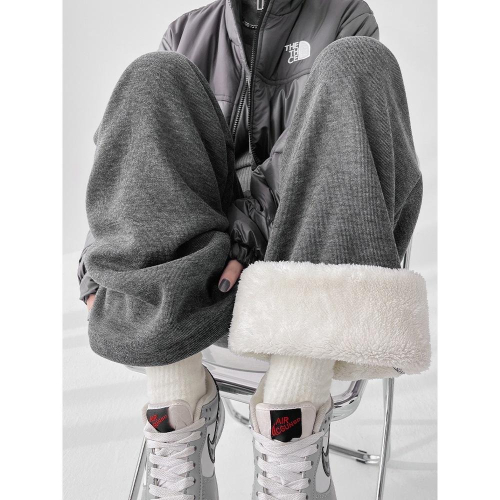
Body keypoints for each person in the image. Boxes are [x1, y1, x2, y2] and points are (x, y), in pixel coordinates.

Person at [78, 1, 431, 498]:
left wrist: (249, 235)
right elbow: (141, 161)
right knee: (152, 76)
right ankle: (179, 412)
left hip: (306, 249)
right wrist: (98, 255)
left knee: (359, 63)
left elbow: (341, 152)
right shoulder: (187, 32)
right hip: (205, 269)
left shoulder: (345, 15)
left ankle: (294, 416)